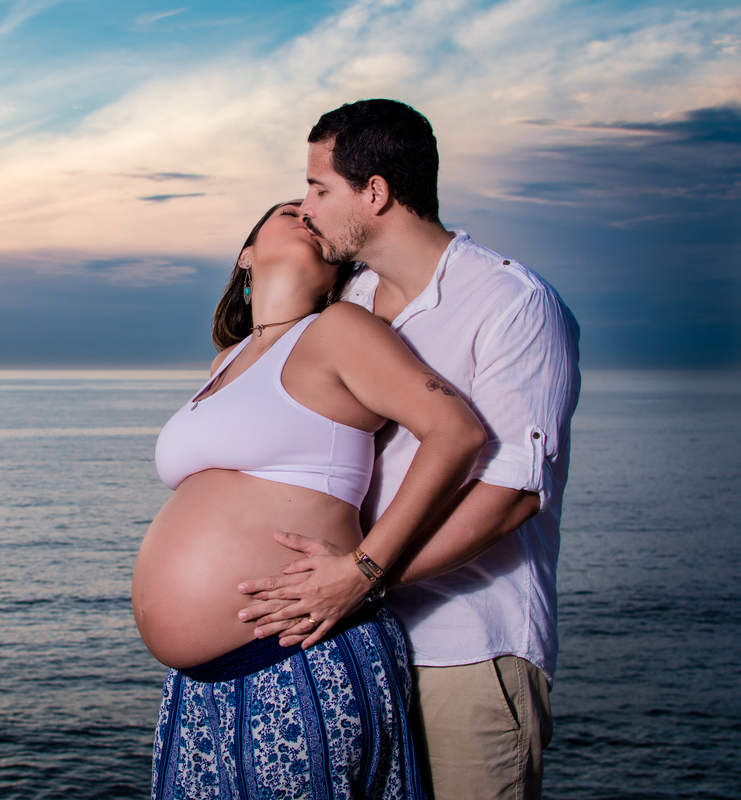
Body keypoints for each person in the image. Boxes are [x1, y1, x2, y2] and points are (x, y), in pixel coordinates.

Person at [236, 99, 581, 800]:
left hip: (465, 648)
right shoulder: (351, 302)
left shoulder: (512, 302)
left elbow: (512, 494)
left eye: (319, 188)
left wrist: (366, 575)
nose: (306, 207)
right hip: (356, 648)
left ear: (376, 193)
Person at [134, 199, 487, 799]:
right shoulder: (226, 361)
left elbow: (456, 432)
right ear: (246, 255)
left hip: (296, 660)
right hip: (199, 689)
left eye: (314, 212)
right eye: (288, 210)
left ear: (337, 269)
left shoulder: (337, 331)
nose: (306, 213)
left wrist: (367, 567)